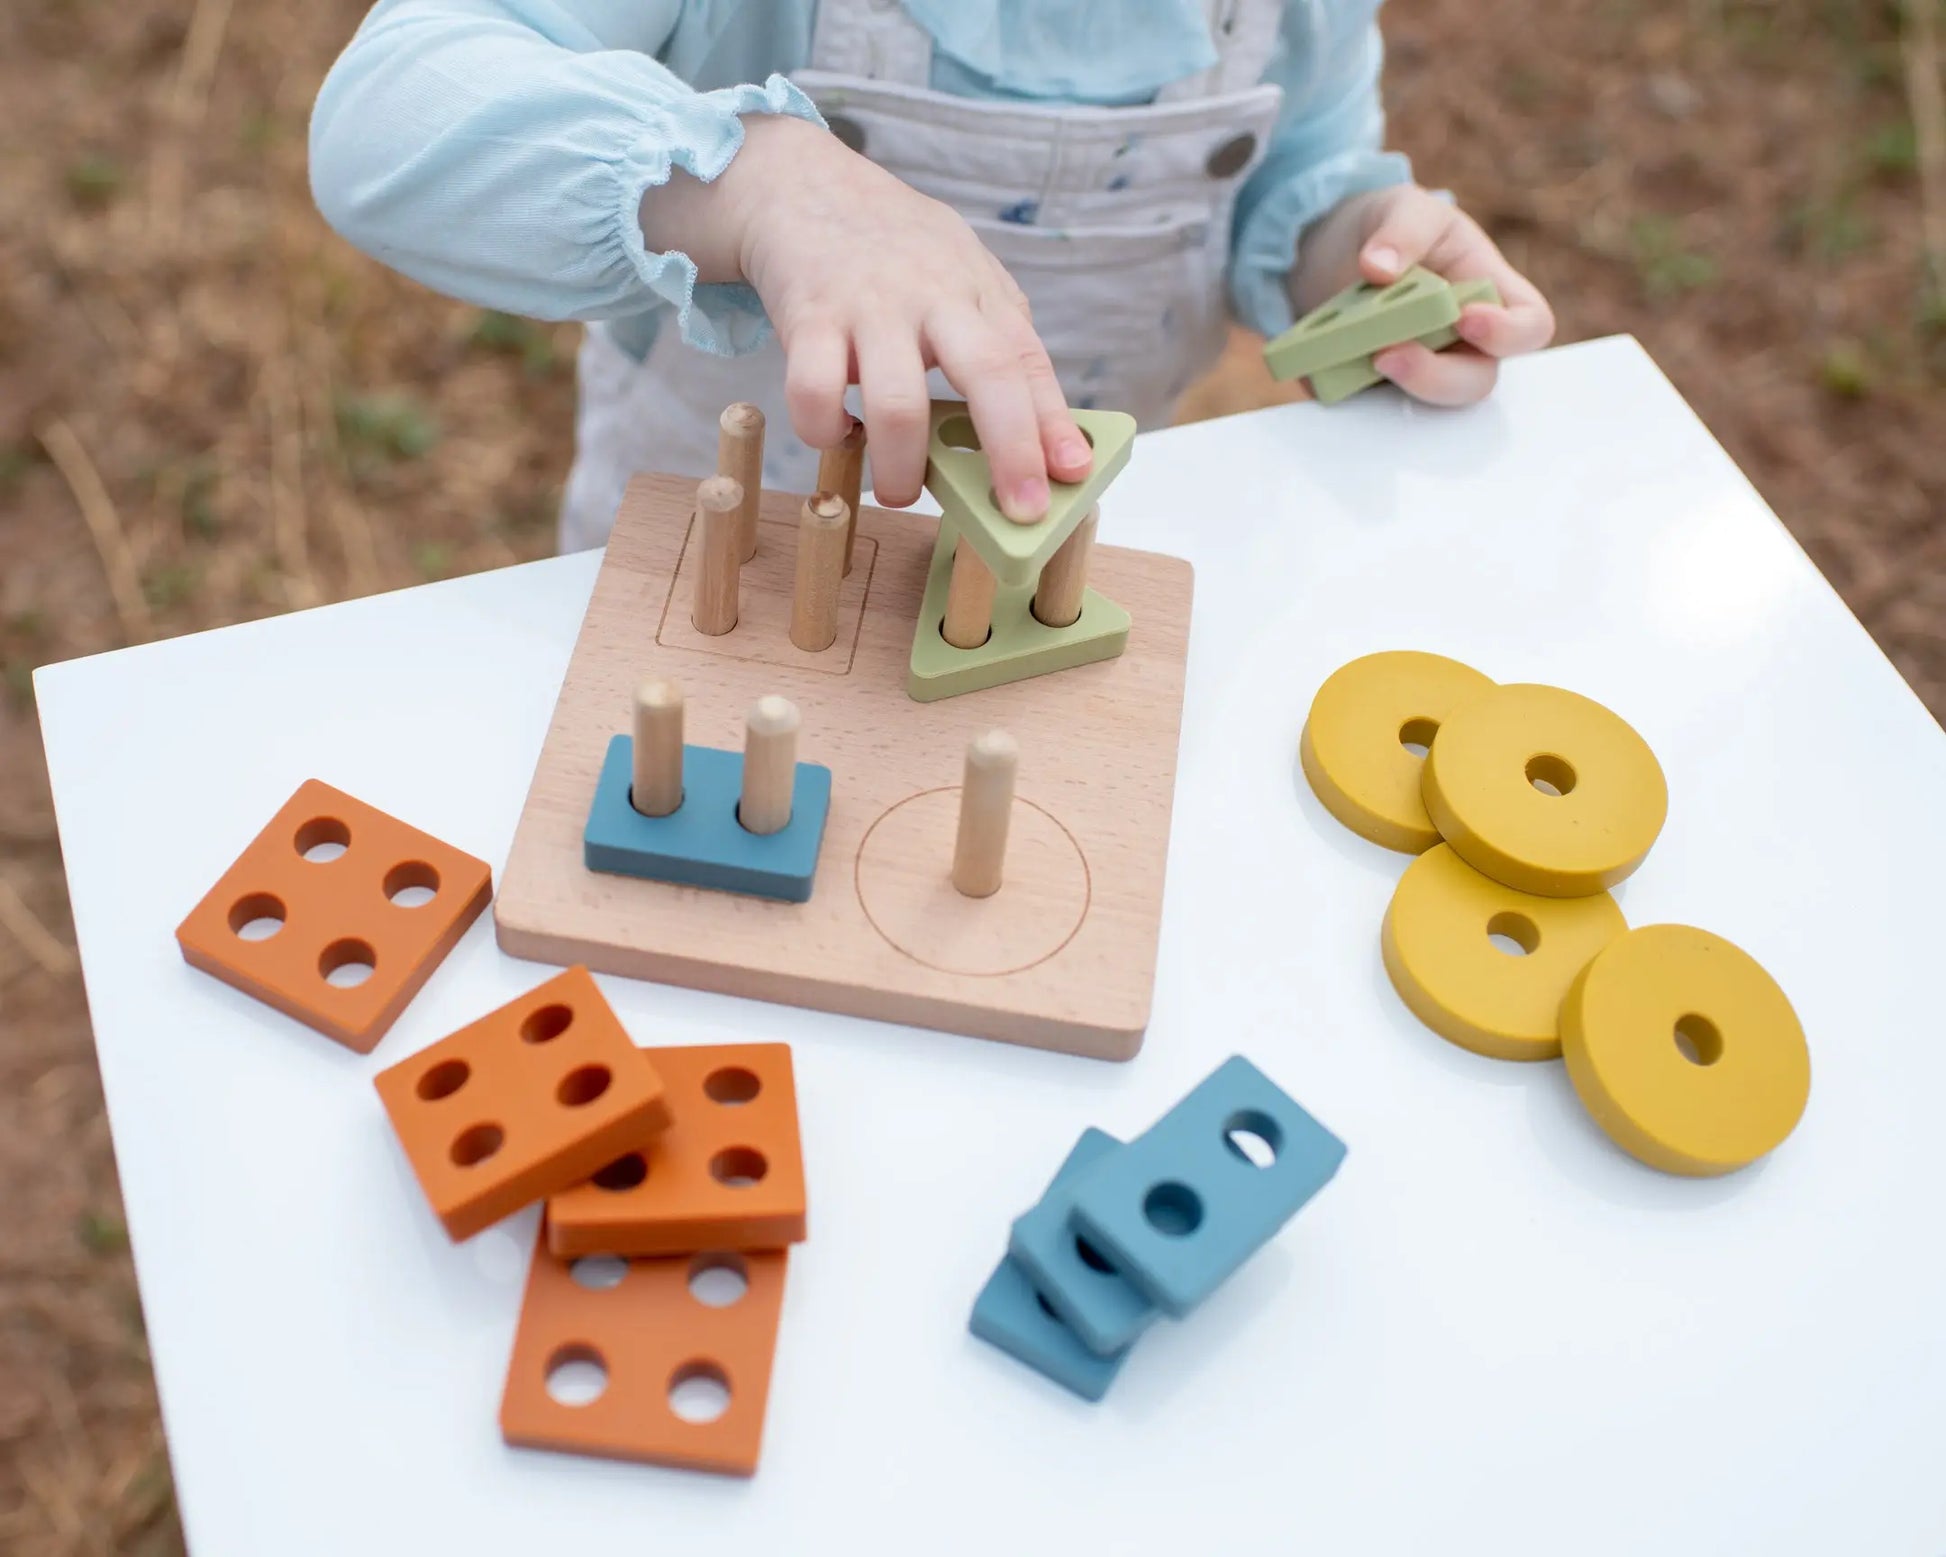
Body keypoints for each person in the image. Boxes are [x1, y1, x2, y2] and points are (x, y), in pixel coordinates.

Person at [310, 0, 1555, 552]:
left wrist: (1366, 255)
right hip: (722, 554)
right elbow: (389, 114)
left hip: (1052, 569)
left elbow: (1297, 170)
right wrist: (762, 185)